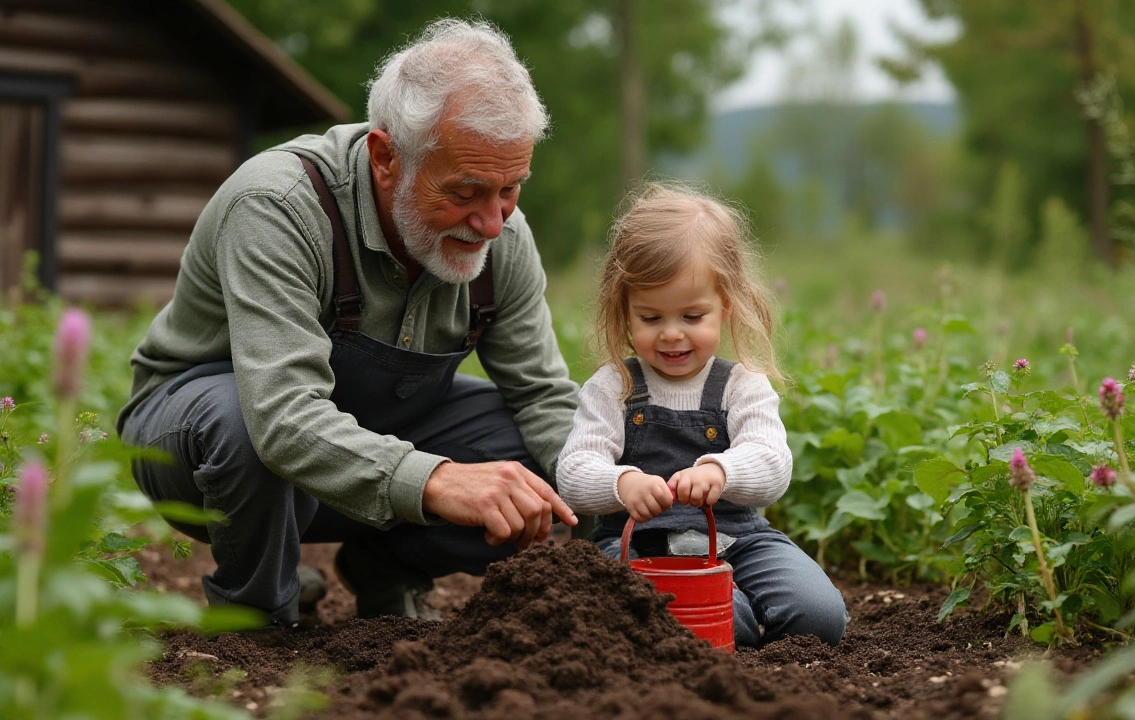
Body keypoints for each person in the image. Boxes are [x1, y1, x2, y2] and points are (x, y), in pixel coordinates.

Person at [117, 18, 579, 627]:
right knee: (241, 423)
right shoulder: (277, 207)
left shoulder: (502, 237)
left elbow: (545, 397)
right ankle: (254, 618)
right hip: (203, 451)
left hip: (364, 439)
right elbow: (280, 417)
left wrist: (620, 499)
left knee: (540, 452)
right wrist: (437, 480)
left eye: (510, 190)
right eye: (466, 191)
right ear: (386, 157)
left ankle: (385, 567)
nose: (492, 223)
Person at [556, 184, 847, 649]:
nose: (672, 335)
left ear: (725, 307)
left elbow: (773, 464)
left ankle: (736, 615)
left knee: (820, 615)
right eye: (651, 318)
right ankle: (732, 621)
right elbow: (572, 472)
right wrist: (622, 483)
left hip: (739, 540)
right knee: (699, 616)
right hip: (634, 549)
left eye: (692, 316)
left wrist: (720, 469)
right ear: (625, 311)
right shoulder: (614, 387)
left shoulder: (743, 386)